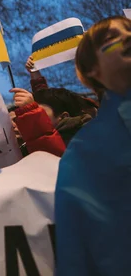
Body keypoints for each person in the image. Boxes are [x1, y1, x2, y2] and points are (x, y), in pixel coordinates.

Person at [55, 15, 131, 275]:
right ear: (91, 70)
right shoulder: (83, 154)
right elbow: (74, 255)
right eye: (111, 40)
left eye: (130, 31)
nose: (128, 37)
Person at [10, 88, 67, 157]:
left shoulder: (71, 140)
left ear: (64, 117)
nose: (12, 125)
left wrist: (30, 109)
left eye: (41, 112)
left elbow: (43, 138)